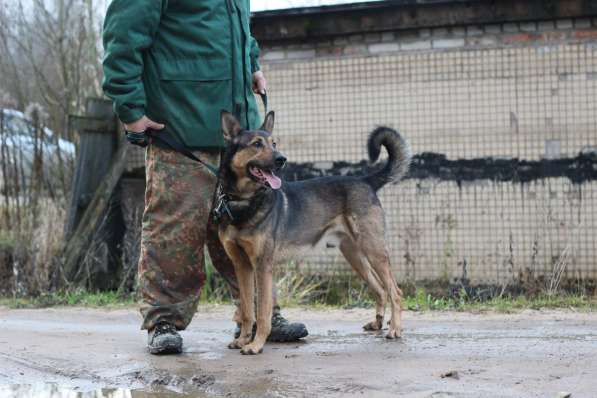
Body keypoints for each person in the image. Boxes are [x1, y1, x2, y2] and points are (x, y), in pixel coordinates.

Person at [102, 0, 308, 355]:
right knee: (174, 230)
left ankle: (261, 317)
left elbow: (239, 31)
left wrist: (252, 65)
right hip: (180, 126)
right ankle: (163, 320)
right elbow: (124, 35)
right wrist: (130, 108)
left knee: (245, 229)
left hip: (237, 135)